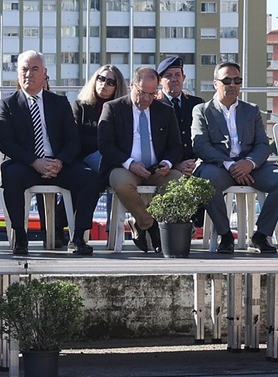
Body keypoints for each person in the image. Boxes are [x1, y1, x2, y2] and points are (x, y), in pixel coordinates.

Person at [0, 51, 93, 257]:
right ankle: (20, 237)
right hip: (26, 164)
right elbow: (6, 143)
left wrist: (60, 161)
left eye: (34, 69)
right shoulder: (7, 104)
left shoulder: (59, 102)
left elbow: (73, 140)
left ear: (44, 74)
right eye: (24, 69)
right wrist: (34, 161)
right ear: (17, 73)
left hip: (58, 164)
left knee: (89, 177)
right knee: (11, 176)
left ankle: (78, 237)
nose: (28, 74)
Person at [192, 60, 278, 256]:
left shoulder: (251, 110)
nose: (232, 85)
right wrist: (230, 165)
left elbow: (263, 144)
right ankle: (225, 235)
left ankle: (261, 234)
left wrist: (250, 163)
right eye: (227, 80)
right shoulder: (202, 110)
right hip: (219, 166)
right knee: (207, 182)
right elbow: (200, 145)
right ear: (215, 83)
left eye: (237, 81)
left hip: (251, 167)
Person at [96, 62, 182, 255]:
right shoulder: (113, 108)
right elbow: (105, 144)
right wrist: (130, 163)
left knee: (177, 181)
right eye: (142, 93)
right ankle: (150, 226)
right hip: (124, 166)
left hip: (156, 168)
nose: (147, 99)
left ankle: (142, 220)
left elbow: (176, 145)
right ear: (132, 85)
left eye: (152, 94)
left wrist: (167, 163)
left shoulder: (165, 111)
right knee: (122, 183)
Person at [73, 65, 126, 245]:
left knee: (113, 170)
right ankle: (113, 229)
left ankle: (114, 227)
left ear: (117, 87)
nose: (104, 84)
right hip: (85, 157)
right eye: (101, 79)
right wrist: (104, 142)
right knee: (111, 167)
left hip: (110, 158)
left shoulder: (121, 109)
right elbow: (76, 138)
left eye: (110, 82)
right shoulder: (80, 106)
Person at [157, 57, 204, 141]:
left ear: (183, 78)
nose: (174, 79)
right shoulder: (155, 104)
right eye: (168, 76)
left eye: (178, 75)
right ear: (160, 80)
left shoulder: (196, 103)